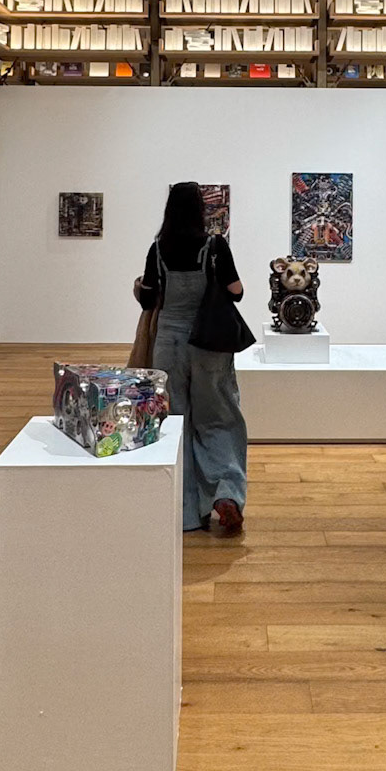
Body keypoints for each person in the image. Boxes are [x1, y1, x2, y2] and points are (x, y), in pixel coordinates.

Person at [135, 181, 249, 536]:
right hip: (208, 342)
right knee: (219, 417)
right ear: (201, 209)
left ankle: (185, 512)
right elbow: (237, 292)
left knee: (174, 422)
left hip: (168, 344)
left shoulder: (158, 248)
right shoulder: (215, 246)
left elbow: (148, 298)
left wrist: (140, 286)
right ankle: (226, 493)